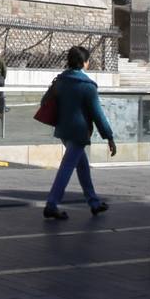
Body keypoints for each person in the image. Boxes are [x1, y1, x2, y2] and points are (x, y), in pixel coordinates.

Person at [43, 46, 116, 220]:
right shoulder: (87, 86)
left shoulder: (60, 81)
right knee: (67, 167)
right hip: (79, 131)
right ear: (84, 63)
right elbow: (98, 114)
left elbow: (44, 101)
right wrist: (109, 136)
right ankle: (51, 204)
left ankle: (94, 202)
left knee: (82, 166)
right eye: (88, 60)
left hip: (63, 130)